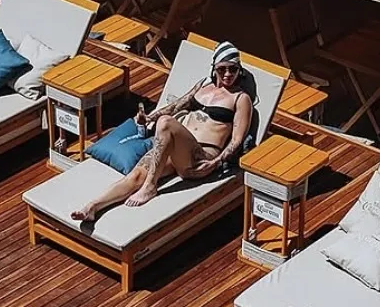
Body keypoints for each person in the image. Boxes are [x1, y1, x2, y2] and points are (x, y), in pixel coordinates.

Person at [72, 41, 254, 225]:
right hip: (175, 148)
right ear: (214, 67)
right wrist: (149, 117)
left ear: (239, 70)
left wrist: (215, 163)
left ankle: (150, 187)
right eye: (222, 69)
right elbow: (176, 106)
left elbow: (237, 139)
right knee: (136, 176)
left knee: (166, 123)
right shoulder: (203, 85)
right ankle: (93, 206)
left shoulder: (241, 98)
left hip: (200, 157)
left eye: (233, 69)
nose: (228, 74)